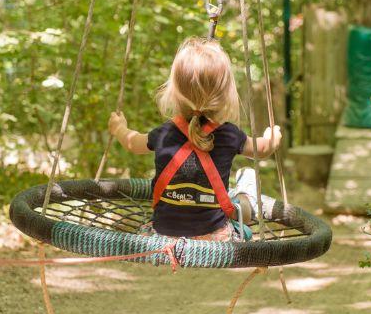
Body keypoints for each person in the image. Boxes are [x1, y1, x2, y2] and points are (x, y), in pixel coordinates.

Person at [108, 37, 281, 242]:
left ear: (174, 92)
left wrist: (119, 128)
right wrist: (273, 136)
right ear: (225, 94)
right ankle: (245, 194)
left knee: (228, 195)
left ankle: (240, 194)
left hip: (163, 235)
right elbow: (262, 150)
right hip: (214, 238)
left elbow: (133, 143)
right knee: (244, 194)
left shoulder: (164, 133)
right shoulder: (229, 134)